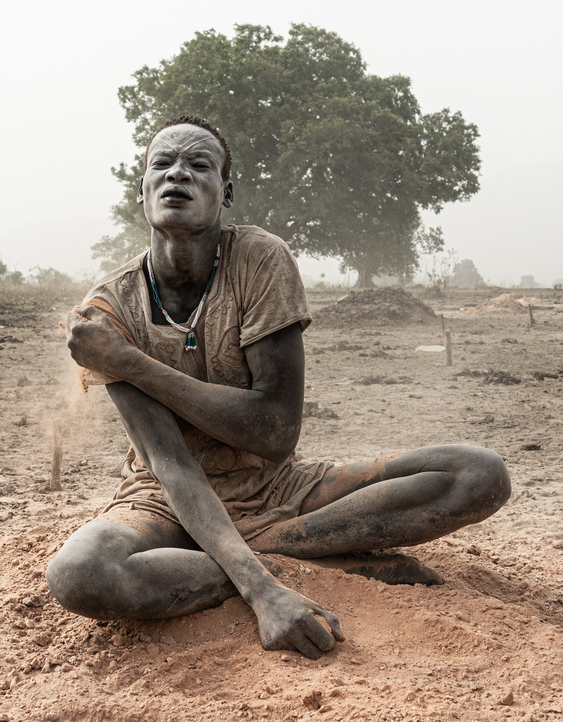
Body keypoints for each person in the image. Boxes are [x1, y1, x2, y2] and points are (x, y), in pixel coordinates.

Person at [46, 116, 510, 660]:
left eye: (199, 165)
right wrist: (262, 591)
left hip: (276, 486)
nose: (178, 175)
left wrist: (132, 364)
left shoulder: (261, 261)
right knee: (80, 573)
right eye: (162, 164)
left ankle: (267, 551)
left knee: (479, 473)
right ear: (141, 188)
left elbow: (274, 432)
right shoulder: (108, 309)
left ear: (226, 190)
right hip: (166, 502)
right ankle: (283, 560)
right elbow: (171, 464)